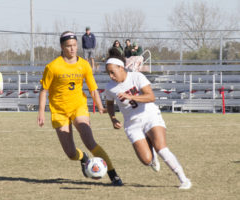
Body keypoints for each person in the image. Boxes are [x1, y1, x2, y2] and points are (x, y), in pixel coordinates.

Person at [37, 31, 123, 186]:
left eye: (74, 45)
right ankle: (83, 158)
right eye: (68, 46)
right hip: (59, 111)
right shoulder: (53, 67)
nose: (72, 49)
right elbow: (44, 90)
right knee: (70, 153)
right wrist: (41, 112)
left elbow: (93, 89)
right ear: (62, 47)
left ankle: (113, 174)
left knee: (90, 141)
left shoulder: (84, 64)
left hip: (79, 107)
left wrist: (100, 106)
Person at [104, 48, 192, 190]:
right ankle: (151, 155)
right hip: (132, 124)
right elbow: (109, 104)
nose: (110, 76)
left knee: (161, 148)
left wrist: (131, 96)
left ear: (121, 68)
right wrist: (113, 118)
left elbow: (151, 97)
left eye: (112, 72)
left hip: (150, 116)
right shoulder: (109, 88)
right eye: (108, 73)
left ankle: (184, 179)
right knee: (146, 160)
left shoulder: (137, 77)